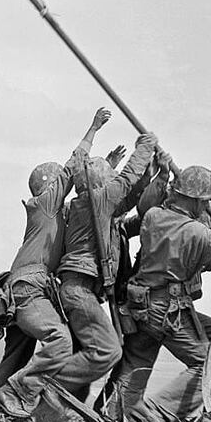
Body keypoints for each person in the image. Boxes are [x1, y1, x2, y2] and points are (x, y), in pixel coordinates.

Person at [110, 165, 211, 422]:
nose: (206, 207)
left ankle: (113, 415)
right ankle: (156, 415)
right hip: (168, 311)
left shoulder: (154, 217)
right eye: (205, 202)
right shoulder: (198, 234)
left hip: (141, 306)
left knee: (136, 364)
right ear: (195, 199)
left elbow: (199, 257)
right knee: (209, 367)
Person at [0, 107, 112, 418]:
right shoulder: (44, 205)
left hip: (23, 289)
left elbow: (87, 191)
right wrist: (93, 129)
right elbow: (72, 169)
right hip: (29, 289)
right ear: (50, 185)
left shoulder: (51, 214)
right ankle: (19, 395)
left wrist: (108, 166)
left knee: (15, 357)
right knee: (59, 339)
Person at [51, 132, 158, 399]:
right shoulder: (97, 201)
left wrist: (151, 176)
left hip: (77, 290)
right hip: (79, 290)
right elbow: (126, 180)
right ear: (101, 183)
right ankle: (46, 387)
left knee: (84, 361)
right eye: (110, 177)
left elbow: (128, 197)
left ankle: (58, 407)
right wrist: (145, 147)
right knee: (108, 351)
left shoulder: (87, 205)